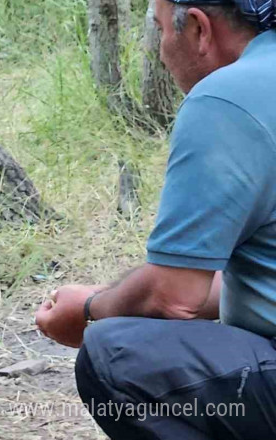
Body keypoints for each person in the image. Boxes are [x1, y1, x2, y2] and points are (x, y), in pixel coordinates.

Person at [34, 0, 276, 438]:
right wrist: (110, 294)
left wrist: (90, 312)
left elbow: (173, 297)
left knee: (117, 354)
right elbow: (255, 282)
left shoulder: (227, 96)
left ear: (199, 29)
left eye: (162, 29)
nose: (163, 50)